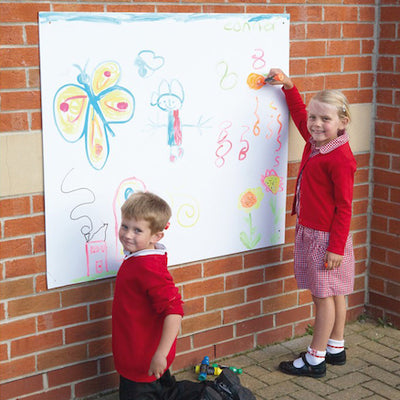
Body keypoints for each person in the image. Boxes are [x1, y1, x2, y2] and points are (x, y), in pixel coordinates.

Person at [112, 191, 255, 400]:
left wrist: (160, 354)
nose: (127, 234)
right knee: (167, 393)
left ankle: (215, 394)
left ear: (156, 236)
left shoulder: (147, 267)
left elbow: (174, 311)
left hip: (143, 359)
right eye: (125, 226)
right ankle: (216, 391)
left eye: (137, 230)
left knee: (162, 394)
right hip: (139, 354)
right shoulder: (140, 259)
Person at [266, 69, 357, 378]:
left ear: (343, 123)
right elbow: (301, 115)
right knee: (336, 293)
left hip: (325, 238)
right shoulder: (317, 141)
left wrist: (335, 248)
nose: (316, 124)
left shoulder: (339, 159)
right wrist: (290, 87)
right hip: (324, 237)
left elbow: (345, 207)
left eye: (325, 119)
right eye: (315, 118)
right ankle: (335, 347)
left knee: (323, 297)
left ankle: (315, 358)